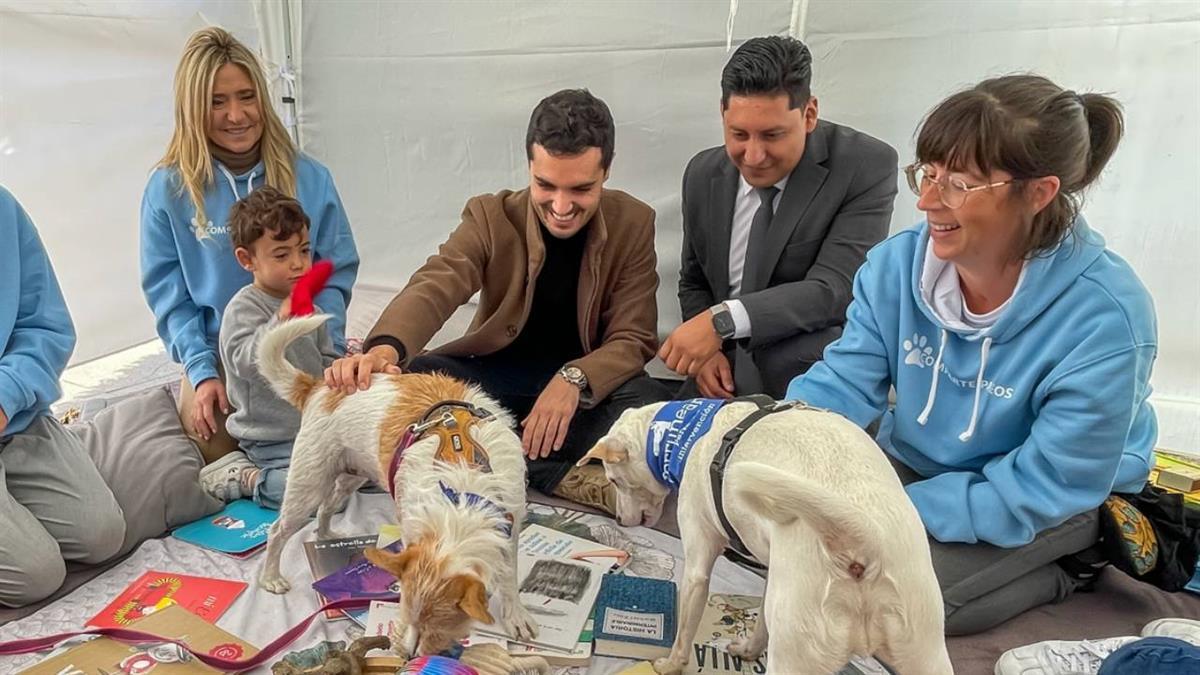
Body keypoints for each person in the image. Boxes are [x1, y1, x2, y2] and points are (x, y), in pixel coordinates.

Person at [786, 74, 1157, 634]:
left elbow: (1047, 481)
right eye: (928, 173)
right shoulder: (895, 266)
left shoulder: (1107, 319)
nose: (926, 200)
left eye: (958, 183)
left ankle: (1074, 566)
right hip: (922, 464)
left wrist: (894, 513)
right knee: (799, 545)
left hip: (1056, 494)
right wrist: (778, 441)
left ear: (1039, 192)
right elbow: (843, 381)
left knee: (896, 603)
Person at [324, 89, 671, 512]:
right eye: (546, 185)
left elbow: (632, 338)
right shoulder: (490, 216)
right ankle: (554, 473)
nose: (561, 206)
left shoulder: (633, 222)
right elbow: (436, 283)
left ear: (607, 171)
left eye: (581, 189)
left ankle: (502, 461)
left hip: (579, 399)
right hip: (491, 384)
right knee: (411, 379)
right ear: (529, 166)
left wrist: (574, 379)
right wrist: (385, 349)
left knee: (650, 408)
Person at [140, 27, 358, 463]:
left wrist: (328, 351)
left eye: (246, 96)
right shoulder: (168, 190)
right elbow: (171, 297)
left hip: (299, 346)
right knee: (215, 451)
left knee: (328, 456)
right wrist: (201, 373)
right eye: (217, 102)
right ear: (192, 108)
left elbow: (333, 271)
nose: (236, 115)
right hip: (222, 356)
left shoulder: (310, 177)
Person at [662, 35, 897, 399]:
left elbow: (834, 290)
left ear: (809, 114)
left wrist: (721, 322)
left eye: (773, 135)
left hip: (809, 380)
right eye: (738, 134)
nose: (753, 156)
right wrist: (707, 352)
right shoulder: (701, 173)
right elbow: (695, 282)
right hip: (718, 379)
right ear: (722, 113)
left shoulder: (864, 165)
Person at [0, 186, 125, 607]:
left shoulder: (3, 208)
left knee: (102, 535)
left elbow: (45, 326)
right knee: (34, 575)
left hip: (18, 419)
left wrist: (6, 397)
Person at [199, 187, 339, 508]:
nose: (299, 264)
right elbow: (244, 363)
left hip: (316, 429)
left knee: (369, 475)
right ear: (247, 259)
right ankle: (245, 477)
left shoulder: (312, 310)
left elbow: (327, 361)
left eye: (304, 251)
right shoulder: (243, 308)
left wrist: (345, 373)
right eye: (281, 254)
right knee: (317, 495)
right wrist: (280, 319)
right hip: (270, 441)